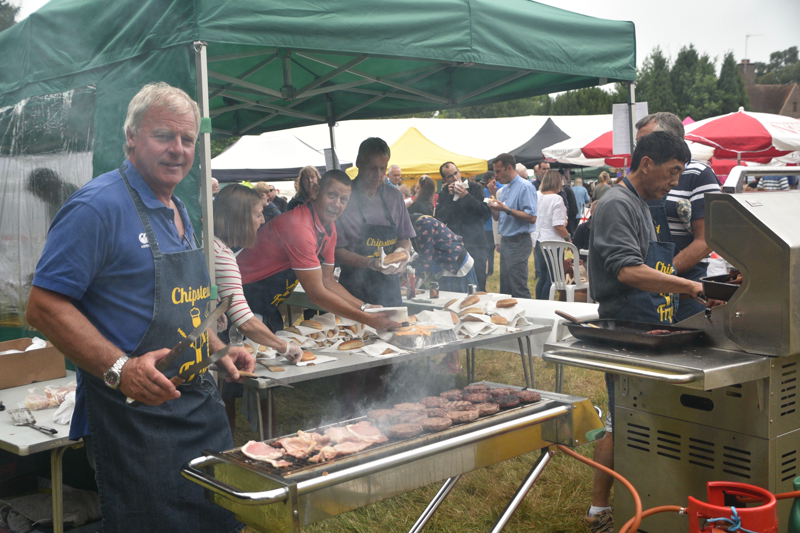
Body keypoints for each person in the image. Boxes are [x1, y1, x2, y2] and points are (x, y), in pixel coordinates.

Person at [25, 82, 253, 532]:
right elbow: (43, 306)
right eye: (164, 135)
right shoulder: (97, 206)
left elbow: (183, 305)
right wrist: (119, 368)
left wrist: (218, 349)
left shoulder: (181, 210)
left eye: (188, 140)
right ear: (130, 137)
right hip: (132, 421)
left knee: (219, 520)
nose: (178, 149)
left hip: (197, 409)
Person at [584, 131, 705, 533]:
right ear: (646, 163)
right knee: (621, 420)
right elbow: (628, 270)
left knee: (644, 419)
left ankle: (649, 499)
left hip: (653, 324)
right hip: (627, 327)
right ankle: (599, 511)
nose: (674, 183)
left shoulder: (645, 203)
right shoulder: (618, 203)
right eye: (671, 173)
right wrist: (688, 286)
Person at [238, 170, 402, 333]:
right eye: (332, 195)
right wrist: (368, 319)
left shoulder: (329, 228)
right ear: (316, 192)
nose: (337, 204)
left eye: (343, 199)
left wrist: (365, 307)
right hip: (240, 300)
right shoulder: (299, 227)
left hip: (265, 306)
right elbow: (316, 294)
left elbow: (327, 280)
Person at [213, 184, 304, 432]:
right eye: (257, 214)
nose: (262, 220)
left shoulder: (209, 243)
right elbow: (245, 320)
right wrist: (286, 347)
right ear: (240, 218)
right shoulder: (222, 255)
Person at [334, 138, 415, 415]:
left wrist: (401, 259)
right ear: (358, 164)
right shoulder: (344, 197)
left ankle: (377, 414)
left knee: (386, 354)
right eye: (372, 169)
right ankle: (348, 415)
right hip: (352, 288)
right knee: (353, 354)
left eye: (383, 169)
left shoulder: (393, 197)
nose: (378, 176)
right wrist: (369, 263)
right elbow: (336, 250)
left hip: (388, 287)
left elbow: (405, 240)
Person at [636, 111, 721, 322]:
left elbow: (707, 240)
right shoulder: (643, 177)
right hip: (646, 285)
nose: (638, 150)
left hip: (689, 287)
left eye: (644, 142)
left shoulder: (699, 174)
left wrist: (665, 273)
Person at [408, 212, 477, 373]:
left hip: (455, 268)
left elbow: (425, 258)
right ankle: (449, 357)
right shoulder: (417, 223)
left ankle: (455, 363)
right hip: (445, 267)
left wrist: (408, 277)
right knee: (445, 313)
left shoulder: (423, 224)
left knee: (453, 313)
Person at [487, 153, 537, 298]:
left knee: (518, 289)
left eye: (498, 171)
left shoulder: (525, 187)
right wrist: (492, 197)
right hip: (507, 242)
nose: (495, 175)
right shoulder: (505, 189)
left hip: (518, 242)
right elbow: (497, 217)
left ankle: (525, 318)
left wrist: (507, 209)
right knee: (506, 290)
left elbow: (532, 217)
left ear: (509, 168)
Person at [436, 162, 490, 292]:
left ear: (459, 172)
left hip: (476, 243)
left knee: (479, 283)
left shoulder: (474, 188)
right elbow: (440, 220)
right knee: (458, 286)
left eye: (456, 173)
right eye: (450, 176)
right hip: (455, 247)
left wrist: (466, 196)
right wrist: (449, 198)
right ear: (444, 179)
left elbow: (485, 213)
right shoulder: (444, 193)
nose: (455, 178)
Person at [533, 170, 570, 300]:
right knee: (552, 278)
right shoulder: (557, 199)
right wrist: (569, 237)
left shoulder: (536, 195)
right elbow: (558, 225)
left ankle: (539, 303)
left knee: (543, 276)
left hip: (539, 240)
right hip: (553, 242)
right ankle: (546, 305)